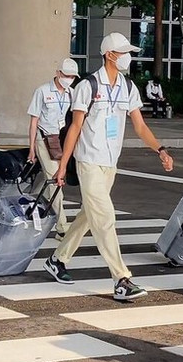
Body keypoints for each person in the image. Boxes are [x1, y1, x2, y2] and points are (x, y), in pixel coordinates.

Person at [46, 32, 173, 301]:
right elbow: (75, 127)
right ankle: (121, 279)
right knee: (105, 217)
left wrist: (160, 149)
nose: (128, 56)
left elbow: (139, 126)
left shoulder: (128, 87)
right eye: (123, 51)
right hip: (89, 161)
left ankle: (57, 259)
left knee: (88, 216)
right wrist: (62, 165)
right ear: (110, 54)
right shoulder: (88, 86)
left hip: (109, 164)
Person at [26, 58, 79, 241]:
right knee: (56, 180)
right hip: (44, 139)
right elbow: (33, 121)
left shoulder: (72, 94)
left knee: (46, 180)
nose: (69, 78)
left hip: (63, 141)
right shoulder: (42, 91)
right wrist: (32, 148)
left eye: (72, 76)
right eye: (66, 75)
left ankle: (30, 204)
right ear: (58, 73)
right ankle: (62, 227)